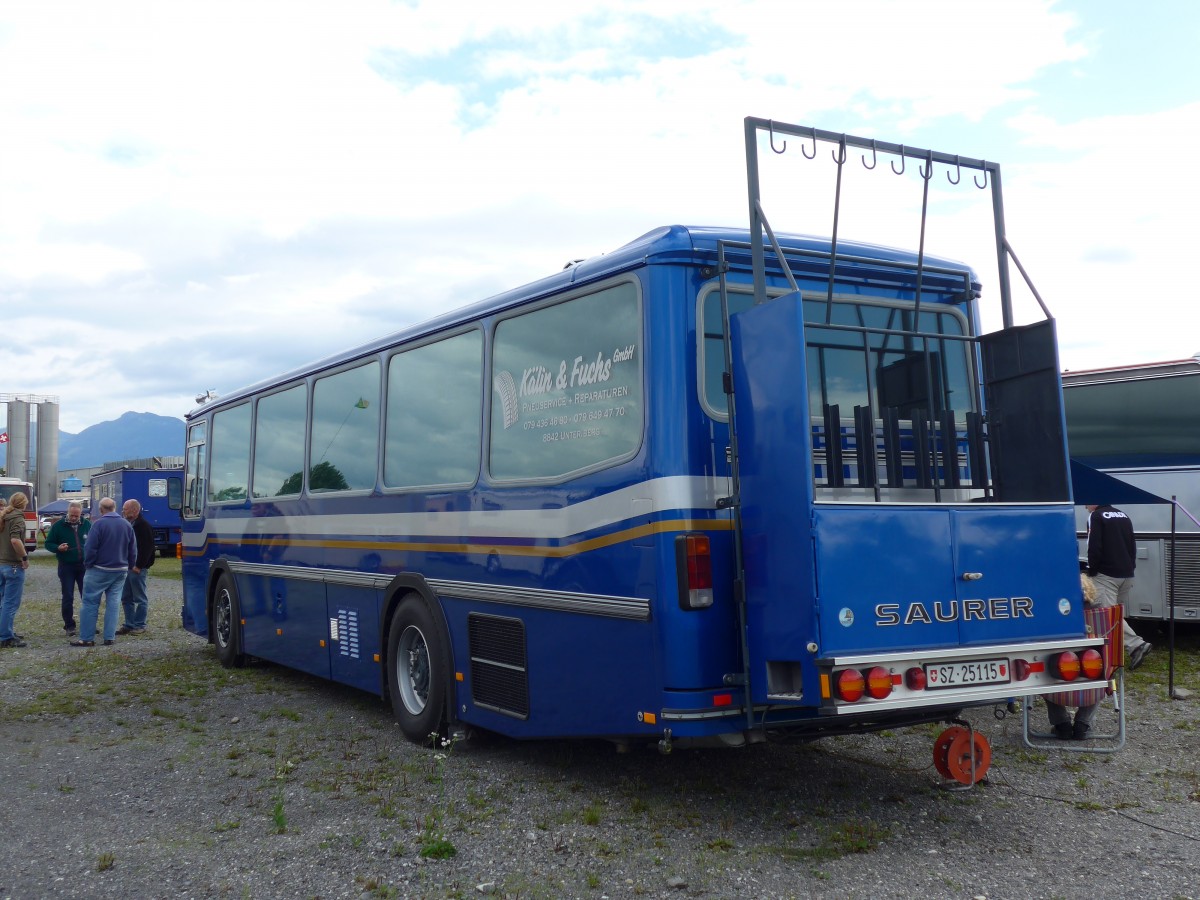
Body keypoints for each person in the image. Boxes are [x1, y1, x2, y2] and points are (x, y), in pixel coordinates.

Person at [1085, 503, 1152, 669]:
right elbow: (1132, 545)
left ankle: (1136, 645)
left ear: (1094, 502)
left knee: (1106, 616)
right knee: (1115, 615)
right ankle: (1113, 653)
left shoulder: (1096, 516)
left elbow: (1094, 546)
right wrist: (1131, 567)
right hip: (1126, 574)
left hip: (1106, 575)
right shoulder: (1123, 515)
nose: (1085, 507)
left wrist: (1091, 571)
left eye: (1087, 503)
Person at [1046, 572, 1104, 739]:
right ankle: (1083, 723)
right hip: (1093, 681)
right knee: (1105, 670)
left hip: (1058, 682)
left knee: (1045, 670)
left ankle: (1061, 723)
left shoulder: (1054, 617)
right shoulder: (1100, 617)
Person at [72, 497, 135, 648]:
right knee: (113, 603)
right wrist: (130, 565)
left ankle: (87, 638)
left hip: (99, 569)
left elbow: (90, 547)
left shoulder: (98, 524)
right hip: (120, 570)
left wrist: (88, 564)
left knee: (90, 602)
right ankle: (109, 637)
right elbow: (133, 549)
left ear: (101, 510)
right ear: (115, 508)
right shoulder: (126, 525)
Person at [45, 501, 91, 636]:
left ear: (81, 513)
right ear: (68, 512)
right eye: (72, 515)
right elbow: (48, 543)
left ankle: (88, 624)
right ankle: (69, 625)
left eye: (77, 515)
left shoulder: (87, 525)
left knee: (87, 596)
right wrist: (58, 548)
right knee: (68, 596)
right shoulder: (58, 526)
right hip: (66, 566)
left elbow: (94, 541)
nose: (74, 518)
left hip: (84, 566)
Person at [117, 499, 154, 635]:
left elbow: (147, 548)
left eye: (125, 509)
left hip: (137, 568)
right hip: (126, 567)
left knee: (139, 597)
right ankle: (129, 624)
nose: (123, 511)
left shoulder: (143, 526)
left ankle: (140, 624)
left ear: (135, 510)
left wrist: (139, 565)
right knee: (126, 597)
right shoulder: (127, 524)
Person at [0, 492, 32, 648]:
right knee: (11, 603)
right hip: (13, 565)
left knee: (2, 601)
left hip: (1, 564)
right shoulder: (17, 518)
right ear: (24, 503)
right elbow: (15, 540)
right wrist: (24, 558)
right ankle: (6, 636)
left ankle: (5, 630)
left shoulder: (4, 517)